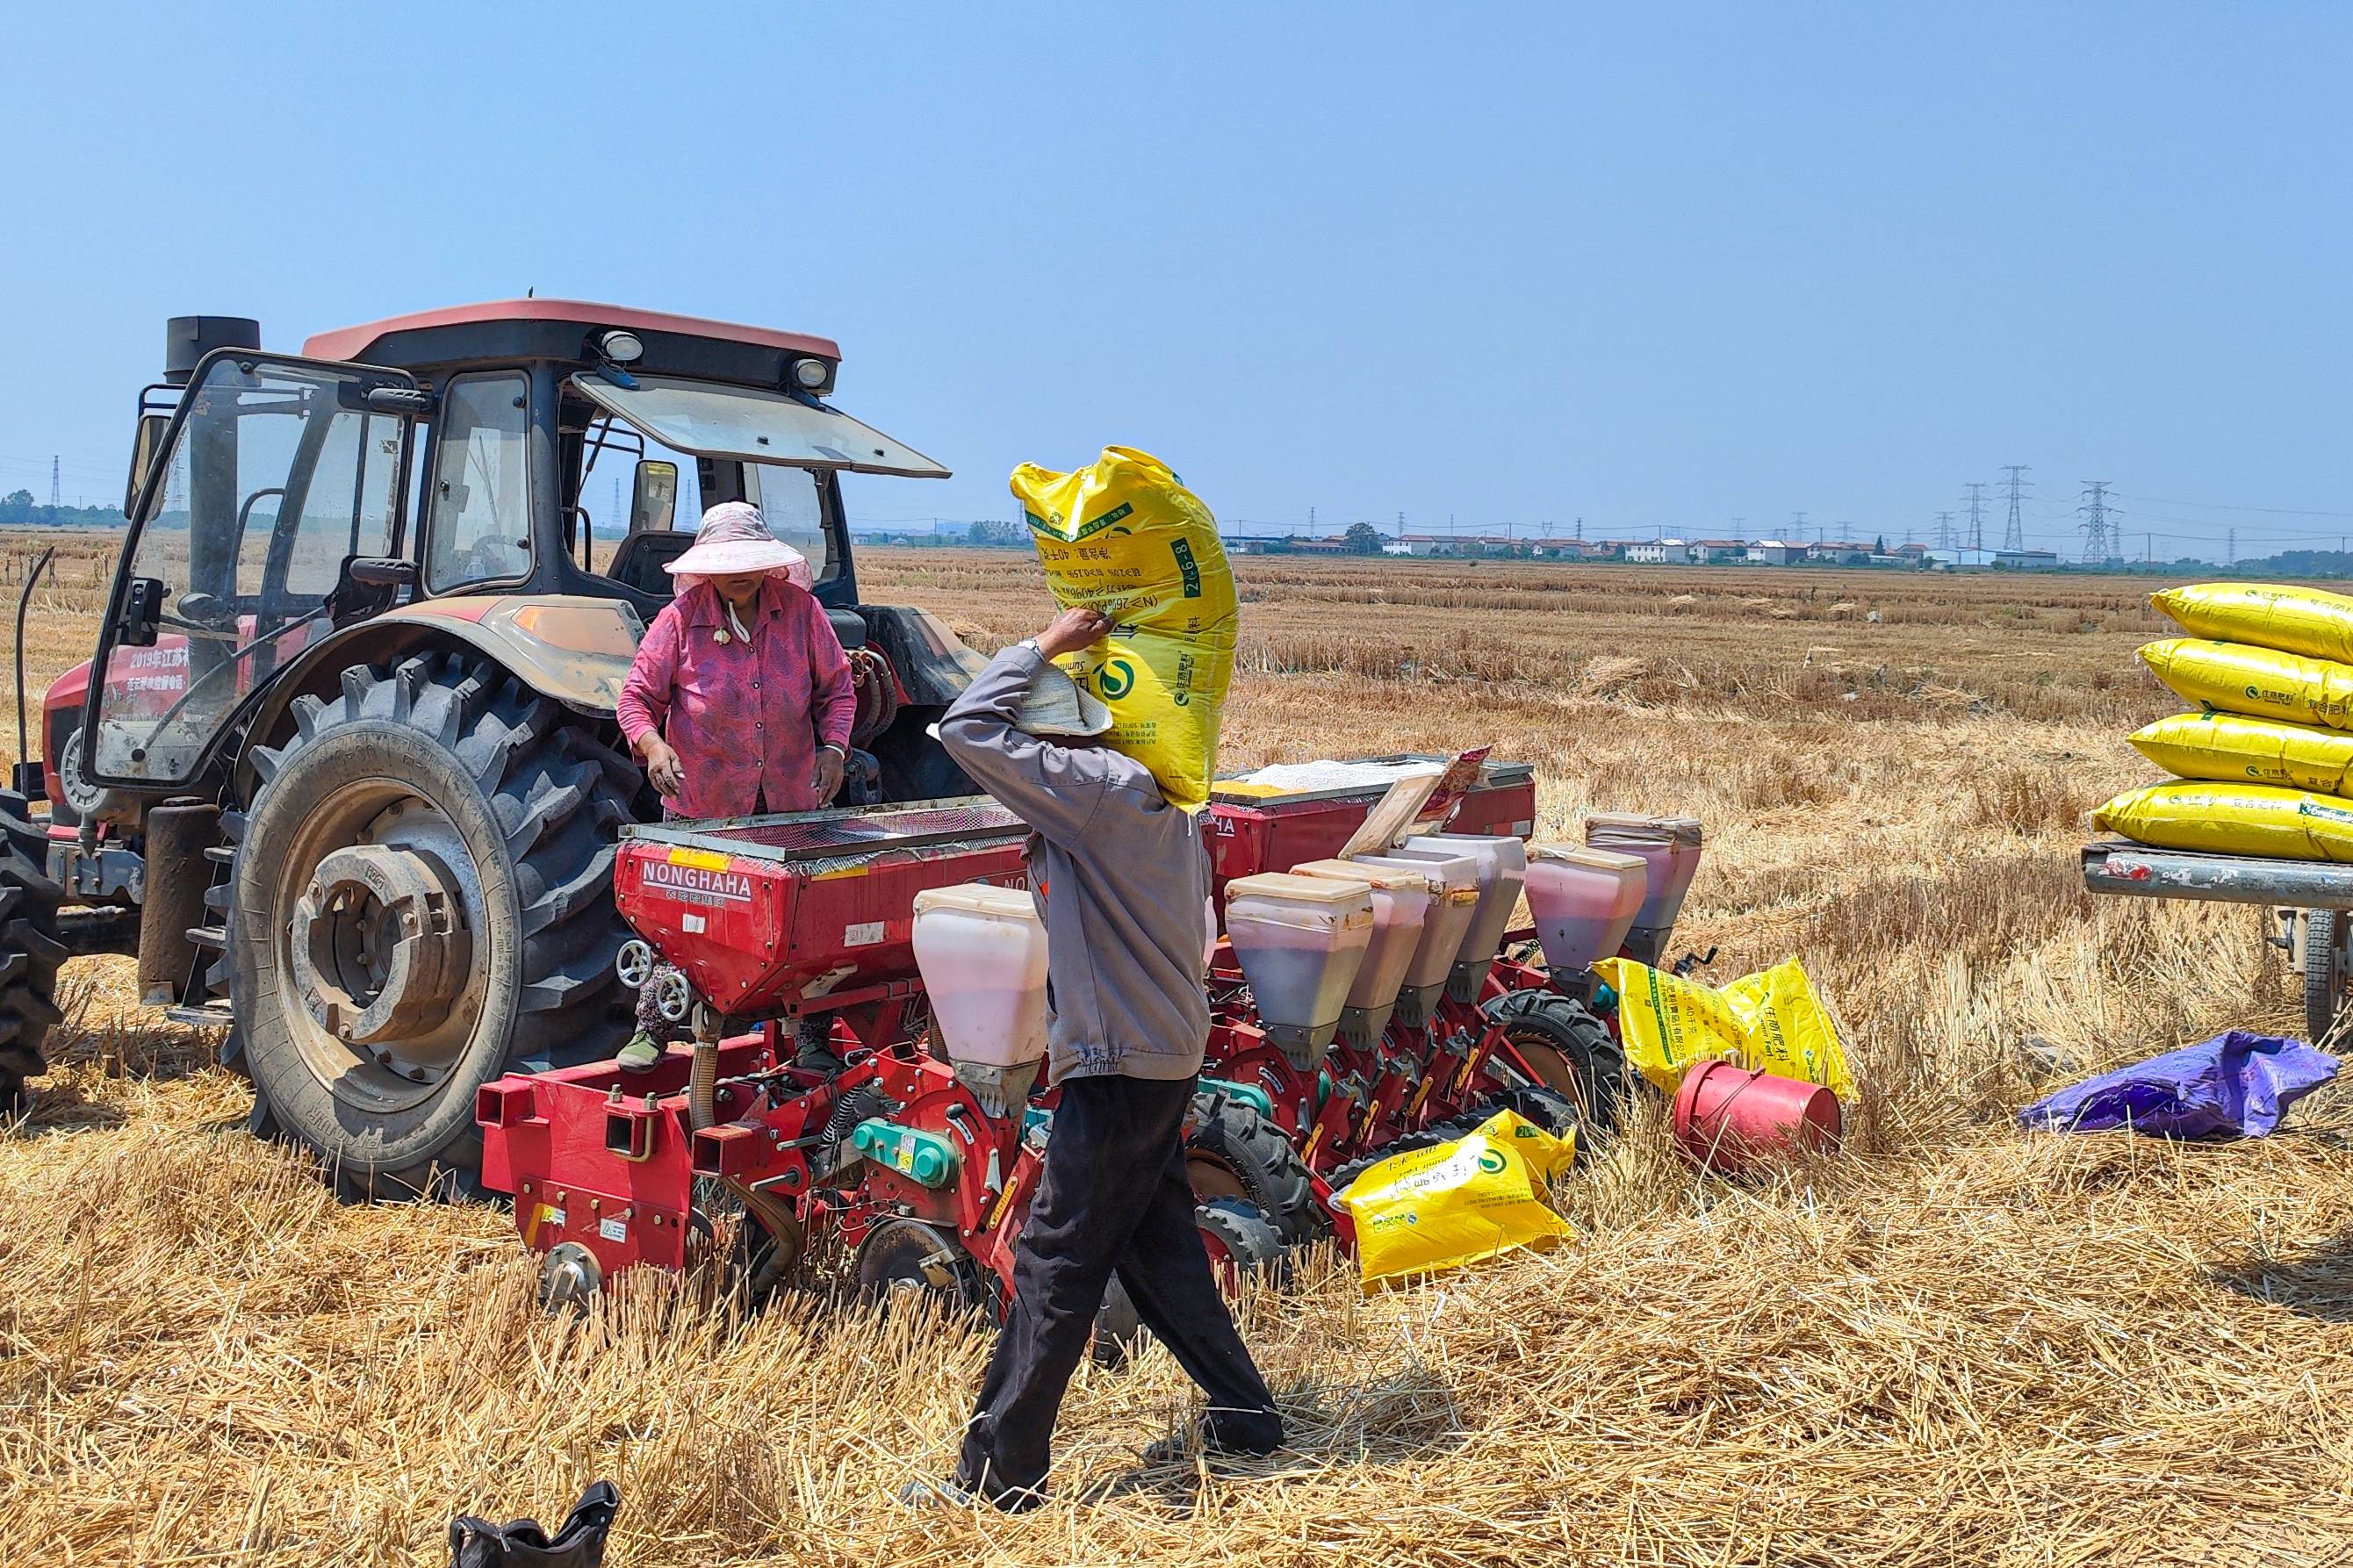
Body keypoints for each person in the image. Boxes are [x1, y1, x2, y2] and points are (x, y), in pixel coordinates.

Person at [912, 603, 1283, 1511]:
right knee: (1157, 1252)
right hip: (1160, 1052)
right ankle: (1246, 1415)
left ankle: (1001, 1474)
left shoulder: (1098, 791)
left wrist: (1043, 644)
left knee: (1054, 1264)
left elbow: (965, 727)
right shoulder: (1166, 792)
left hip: (1119, 1064)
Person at [613, 501, 857, 1070]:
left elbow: (838, 691)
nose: (739, 573)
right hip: (703, 805)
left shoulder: (801, 614)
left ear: (767, 563)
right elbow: (636, 700)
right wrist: (654, 747)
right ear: (707, 568)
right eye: (727, 563)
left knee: (801, 922)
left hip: (790, 805)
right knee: (683, 918)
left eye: (748, 561)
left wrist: (835, 749)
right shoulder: (680, 620)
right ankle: (655, 1023)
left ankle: (812, 1038)